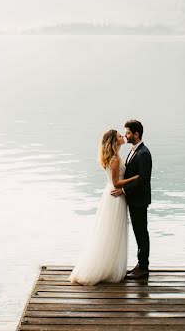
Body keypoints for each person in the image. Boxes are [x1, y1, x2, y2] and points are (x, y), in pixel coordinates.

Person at [68, 129, 140, 285]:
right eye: (120, 136)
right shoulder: (114, 159)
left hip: (112, 196)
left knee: (110, 232)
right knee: (112, 231)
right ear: (114, 142)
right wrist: (134, 178)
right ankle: (106, 268)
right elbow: (116, 183)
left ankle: (109, 266)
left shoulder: (114, 157)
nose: (123, 137)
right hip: (115, 196)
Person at [111, 119, 151, 279]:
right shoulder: (134, 150)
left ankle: (143, 267)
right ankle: (139, 265)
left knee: (141, 233)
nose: (126, 135)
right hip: (134, 199)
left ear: (136, 134)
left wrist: (123, 191)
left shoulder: (144, 153)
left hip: (139, 200)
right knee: (138, 232)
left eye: (127, 133)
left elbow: (143, 179)